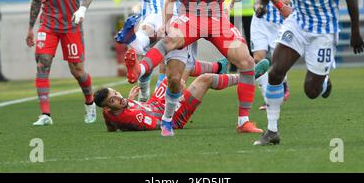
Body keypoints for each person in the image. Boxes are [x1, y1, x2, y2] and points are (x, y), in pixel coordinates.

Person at [124, 0, 292, 136]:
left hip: (216, 20)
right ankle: (144, 80)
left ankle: (243, 121)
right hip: (191, 17)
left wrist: (279, 5)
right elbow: (170, 0)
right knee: (171, 59)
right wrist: (166, 24)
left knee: (247, 63)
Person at [253, 0, 364, 146]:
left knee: (311, 91)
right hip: (297, 23)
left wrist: (355, 32)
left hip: (323, 31)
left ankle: (323, 82)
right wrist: (260, 6)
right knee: (275, 73)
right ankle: (272, 131)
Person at [116, 0, 227, 101]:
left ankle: (217, 67)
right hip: (154, 17)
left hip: (177, 20)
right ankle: (147, 93)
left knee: (179, 70)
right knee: (143, 36)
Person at [26, 0, 96, 126]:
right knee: (42, 64)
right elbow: (37, 0)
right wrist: (30, 28)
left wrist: (82, 9)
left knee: (77, 70)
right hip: (47, 26)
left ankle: (89, 103)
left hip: (71, 26)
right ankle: (45, 115)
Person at [94, 58, 270, 132]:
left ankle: (218, 67)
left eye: (116, 94)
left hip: (157, 103)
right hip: (173, 116)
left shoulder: (108, 111)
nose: (119, 98)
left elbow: (112, 127)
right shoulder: (133, 116)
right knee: (204, 79)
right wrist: (176, 96)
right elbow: (159, 124)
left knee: (173, 65)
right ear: (108, 105)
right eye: (114, 100)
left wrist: (130, 102)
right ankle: (249, 76)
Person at [228, 0, 290, 109]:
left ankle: (283, 84)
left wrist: (288, 1)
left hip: (280, 20)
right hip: (260, 19)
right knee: (258, 58)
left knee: (279, 59)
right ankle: (268, 98)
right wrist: (232, 1)